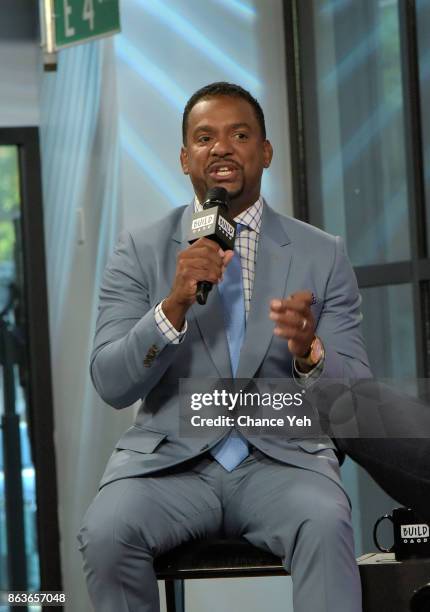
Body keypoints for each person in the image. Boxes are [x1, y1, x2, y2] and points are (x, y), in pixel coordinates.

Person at [78, 82, 371, 612]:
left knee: (326, 521)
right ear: (184, 157)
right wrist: (171, 309)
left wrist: (310, 352)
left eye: (240, 134)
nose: (222, 148)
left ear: (265, 152)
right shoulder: (139, 250)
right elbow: (111, 382)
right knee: (106, 532)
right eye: (205, 137)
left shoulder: (322, 254)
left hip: (283, 464)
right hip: (168, 469)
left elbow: (354, 397)